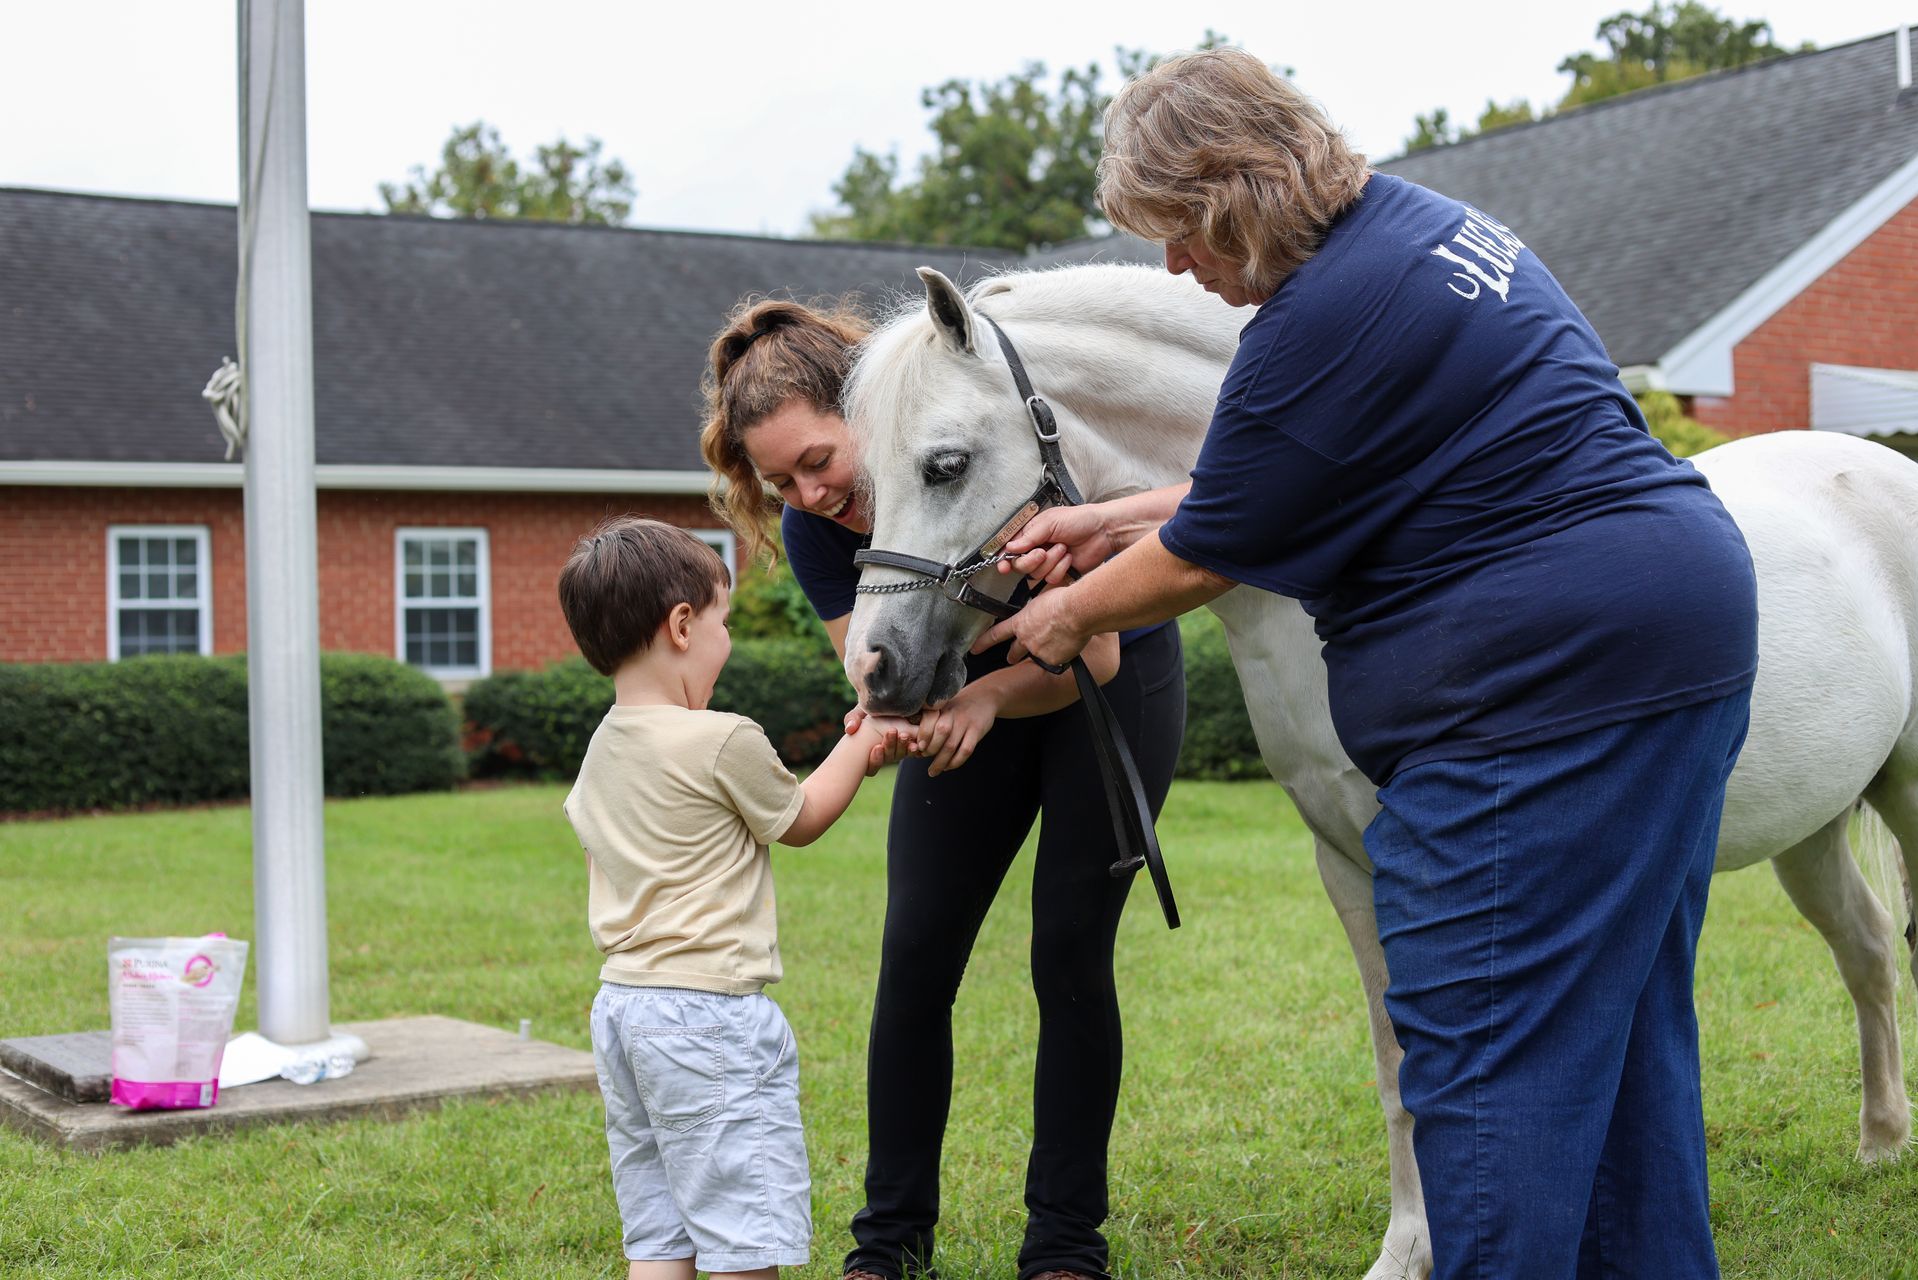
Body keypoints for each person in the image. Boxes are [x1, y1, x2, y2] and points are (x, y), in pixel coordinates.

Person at [976, 48, 1758, 1280]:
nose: (1174, 266)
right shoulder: (1426, 233)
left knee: (1483, 1047)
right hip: (1670, 628)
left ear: (1230, 189)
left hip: (1539, 697)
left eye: (1176, 230)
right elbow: (1278, 482)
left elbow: (1207, 553)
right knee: (1620, 1041)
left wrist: (1063, 617)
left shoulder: (1316, 322)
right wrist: (1111, 521)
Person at [699, 299, 1187, 1280]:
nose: (809, 490)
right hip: (964, 721)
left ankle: (1063, 1239)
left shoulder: (982, 456)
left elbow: (1090, 643)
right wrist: (906, 716)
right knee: (914, 957)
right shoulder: (817, 530)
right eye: (781, 478)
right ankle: (888, 1238)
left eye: (819, 459)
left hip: (1104, 690)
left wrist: (977, 699)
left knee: (1070, 953)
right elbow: (871, 672)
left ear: (869, 415)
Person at [557, 516, 907, 1280]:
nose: (727, 641)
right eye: (723, 622)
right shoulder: (719, 738)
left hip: (623, 1008)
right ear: (682, 625)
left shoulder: (602, 747)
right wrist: (868, 733)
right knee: (742, 1230)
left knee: (660, 1229)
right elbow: (802, 817)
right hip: (706, 1016)